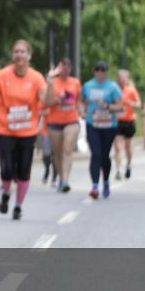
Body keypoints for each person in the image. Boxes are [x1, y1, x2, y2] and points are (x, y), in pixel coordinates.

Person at [0, 40, 56, 220]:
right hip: (5, 130)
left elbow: (47, 101)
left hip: (27, 132)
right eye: (16, 51)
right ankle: (6, 192)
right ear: (13, 55)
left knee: (23, 170)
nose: (19, 55)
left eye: (23, 52)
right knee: (7, 169)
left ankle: (18, 206)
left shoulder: (36, 78)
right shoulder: (3, 75)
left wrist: (51, 83)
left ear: (29, 55)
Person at [79, 61, 124, 199]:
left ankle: (105, 181)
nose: (100, 73)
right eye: (98, 70)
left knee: (105, 155)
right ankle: (94, 186)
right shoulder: (88, 86)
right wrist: (82, 111)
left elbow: (120, 107)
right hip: (93, 124)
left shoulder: (113, 87)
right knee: (96, 154)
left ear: (106, 72)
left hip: (109, 125)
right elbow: (81, 101)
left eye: (103, 70)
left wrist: (107, 106)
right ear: (94, 72)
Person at [44, 57, 81, 193]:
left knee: (67, 149)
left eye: (67, 67)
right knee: (57, 153)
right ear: (59, 69)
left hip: (72, 120)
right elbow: (47, 102)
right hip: (55, 121)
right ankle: (61, 177)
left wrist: (81, 111)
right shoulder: (52, 82)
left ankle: (65, 181)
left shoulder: (75, 82)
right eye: (62, 67)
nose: (65, 70)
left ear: (70, 69)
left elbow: (79, 100)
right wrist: (58, 99)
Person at [113, 69, 140, 180]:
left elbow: (139, 104)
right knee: (117, 146)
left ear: (127, 79)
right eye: (120, 78)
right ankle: (118, 170)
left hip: (129, 121)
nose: (122, 80)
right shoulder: (113, 90)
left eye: (124, 78)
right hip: (117, 121)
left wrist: (131, 103)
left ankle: (128, 165)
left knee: (128, 146)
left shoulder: (131, 90)